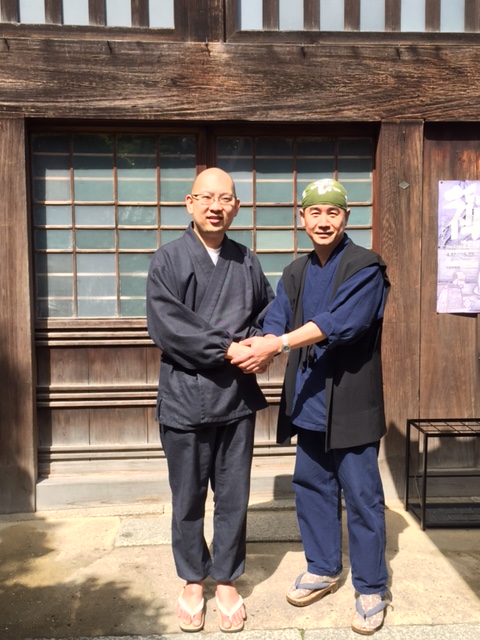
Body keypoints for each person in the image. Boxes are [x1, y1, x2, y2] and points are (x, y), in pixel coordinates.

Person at [231, 178, 391, 635]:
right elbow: (277, 317)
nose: (324, 221)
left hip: (352, 403)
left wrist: (276, 344)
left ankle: (371, 586)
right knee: (312, 488)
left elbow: (340, 323)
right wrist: (257, 347)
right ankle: (323, 567)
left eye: (333, 213)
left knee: (362, 498)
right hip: (309, 401)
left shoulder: (367, 266)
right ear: (302, 218)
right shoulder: (296, 273)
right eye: (315, 213)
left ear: (347, 217)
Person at [146, 168, 274, 633]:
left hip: (236, 396)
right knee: (188, 496)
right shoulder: (168, 259)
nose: (216, 206)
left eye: (226, 199)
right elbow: (167, 326)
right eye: (207, 197)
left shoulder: (248, 261)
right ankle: (192, 580)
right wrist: (228, 348)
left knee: (234, 495)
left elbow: (267, 312)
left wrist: (260, 348)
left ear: (236, 207)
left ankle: (225, 578)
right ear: (190, 203)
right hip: (185, 396)